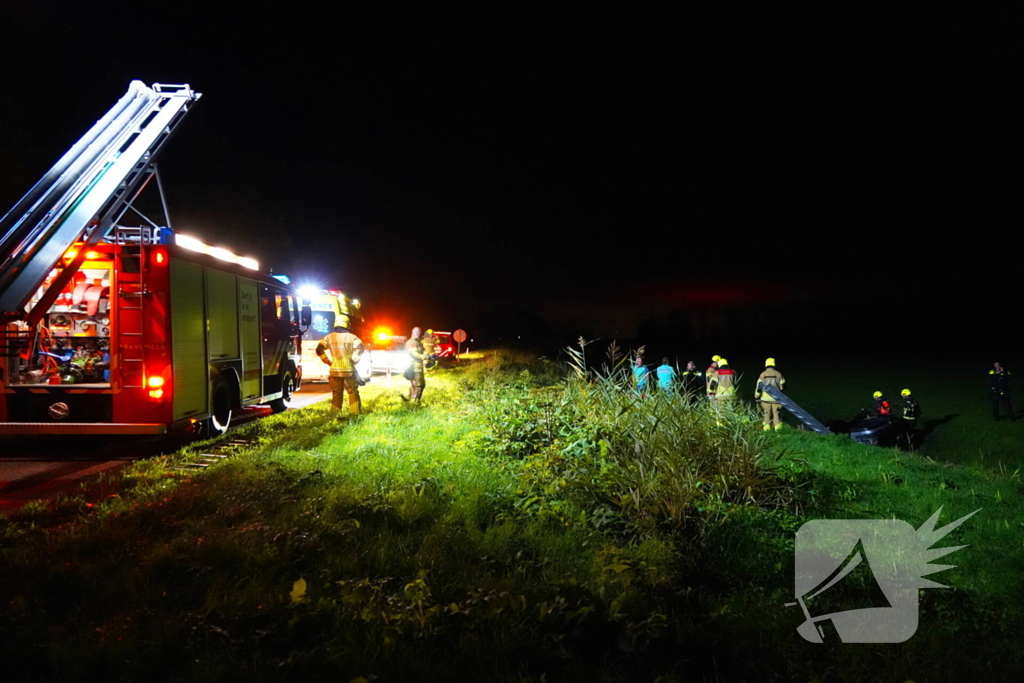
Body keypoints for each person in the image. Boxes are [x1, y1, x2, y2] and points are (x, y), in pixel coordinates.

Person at [315, 324, 364, 415]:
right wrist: (355, 359)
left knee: (337, 393)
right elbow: (360, 348)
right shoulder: (352, 337)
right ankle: (355, 413)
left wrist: (327, 361)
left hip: (334, 370)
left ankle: (335, 415)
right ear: (347, 325)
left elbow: (319, 350)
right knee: (352, 392)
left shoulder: (328, 337)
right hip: (349, 370)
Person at [754, 357, 786, 431]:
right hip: (776, 398)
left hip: (765, 399)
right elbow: (782, 386)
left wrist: (757, 396)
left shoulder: (763, 374)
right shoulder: (778, 374)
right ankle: (778, 430)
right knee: (776, 414)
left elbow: (758, 387)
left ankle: (766, 430)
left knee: (766, 414)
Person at [405, 327, 430, 401]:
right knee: (420, 385)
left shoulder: (418, 342)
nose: (417, 333)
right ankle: (415, 403)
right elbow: (414, 354)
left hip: (417, 366)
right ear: (412, 332)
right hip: (414, 367)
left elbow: (422, 352)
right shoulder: (412, 342)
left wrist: (429, 356)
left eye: (419, 332)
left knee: (414, 385)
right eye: (416, 331)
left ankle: (409, 398)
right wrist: (426, 357)